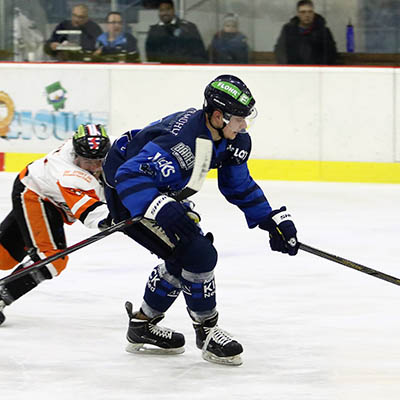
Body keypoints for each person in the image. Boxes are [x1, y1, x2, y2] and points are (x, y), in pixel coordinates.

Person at [102, 75, 299, 365]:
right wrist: (158, 205)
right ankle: (206, 331)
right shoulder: (180, 144)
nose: (244, 126)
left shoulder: (232, 138)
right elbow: (130, 176)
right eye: (239, 119)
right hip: (128, 192)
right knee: (198, 255)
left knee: (184, 255)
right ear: (218, 116)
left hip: (160, 187)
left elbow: (238, 186)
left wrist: (270, 218)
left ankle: (142, 326)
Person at [0, 124, 111, 325]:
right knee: (52, 259)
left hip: (48, 195)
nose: (95, 167)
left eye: (99, 161)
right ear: (76, 156)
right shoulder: (68, 174)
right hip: (36, 194)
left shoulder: (104, 150)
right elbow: (93, 214)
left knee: (3, 258)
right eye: (88, 161)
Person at [274, 0, 338, 65]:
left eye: (310, 12)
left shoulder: (323, 31)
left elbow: (331, 54)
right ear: (298, 14)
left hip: (317, 71)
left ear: (313, 13)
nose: (307, 15)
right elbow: (280, 51)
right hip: (294, 70)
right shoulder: (288, 30)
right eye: (303, 12)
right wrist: (288, 68)